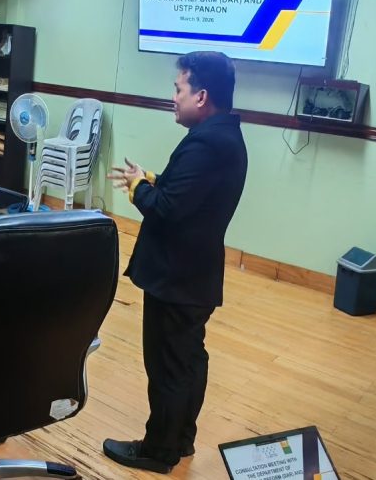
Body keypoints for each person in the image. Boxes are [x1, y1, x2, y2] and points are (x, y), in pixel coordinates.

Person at [103, 51, 248, 473]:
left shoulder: (207, 143)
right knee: (187, 360)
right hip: (193, 275)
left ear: (201, 96)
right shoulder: (223, 135)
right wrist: (152, 179)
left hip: (177, 278)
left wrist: (138, 188)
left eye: (178, 88)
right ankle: (180, 440)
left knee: (168, 367)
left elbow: (166, 209)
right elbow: (187, 196)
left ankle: (158, 450)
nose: (173, 97)